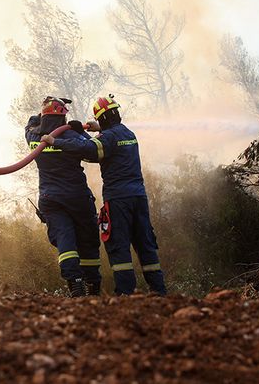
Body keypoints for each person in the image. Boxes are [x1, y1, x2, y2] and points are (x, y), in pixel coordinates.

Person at [41, 95, 167, 296]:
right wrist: (92, 131)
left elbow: (89, 150)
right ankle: (159, 293)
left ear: (103, 118)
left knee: (118, 246)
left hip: (118, 200)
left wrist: (56, 141)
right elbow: (104, 147)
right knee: (146, 245)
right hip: (139, 198)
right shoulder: (129, 134)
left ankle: (125, 295)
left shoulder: (108, 138)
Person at [26, 97, 102, 297]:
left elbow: (29, 125)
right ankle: (92, 284)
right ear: (62, 116)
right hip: (77, 196)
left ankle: (75, 283)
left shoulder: (35, 139)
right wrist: (80, 130)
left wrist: (41, 111)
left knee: (64, 239)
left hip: (51, 199)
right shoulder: (71, 137)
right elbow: (94, 150)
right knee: (87, 239)